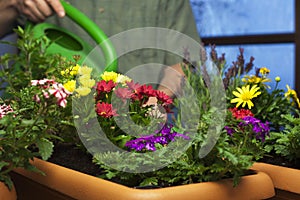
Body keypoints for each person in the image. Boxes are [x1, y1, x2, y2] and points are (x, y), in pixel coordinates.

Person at [0, 0, 200, 98]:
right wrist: (13, 3)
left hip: (129, 129)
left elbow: (185, 62)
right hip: (49, 126)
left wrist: (157, 103)